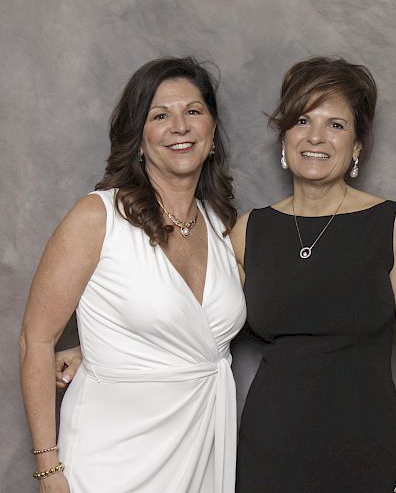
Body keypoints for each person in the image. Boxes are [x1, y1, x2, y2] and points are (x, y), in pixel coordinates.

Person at [19, 57, 246, 493]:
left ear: (212, 134)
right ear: (139, 140)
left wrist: (95, 348)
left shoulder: (222, 226)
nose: (180, 126)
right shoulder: (96, 216)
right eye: (160, 115)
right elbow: (36, 340)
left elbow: (188, 335)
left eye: (193, 112)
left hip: (201, 445)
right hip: (111, 456)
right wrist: (50, 470)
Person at [231, 57, 396, 492]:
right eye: (302, 120)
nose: (316, 137)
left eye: (336, 125)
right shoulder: (250, 230)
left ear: (358, 146)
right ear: (284, 138)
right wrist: (96, 348)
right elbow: (191, 323)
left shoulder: (395, 225)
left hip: (367, 456)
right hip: (268, 457)